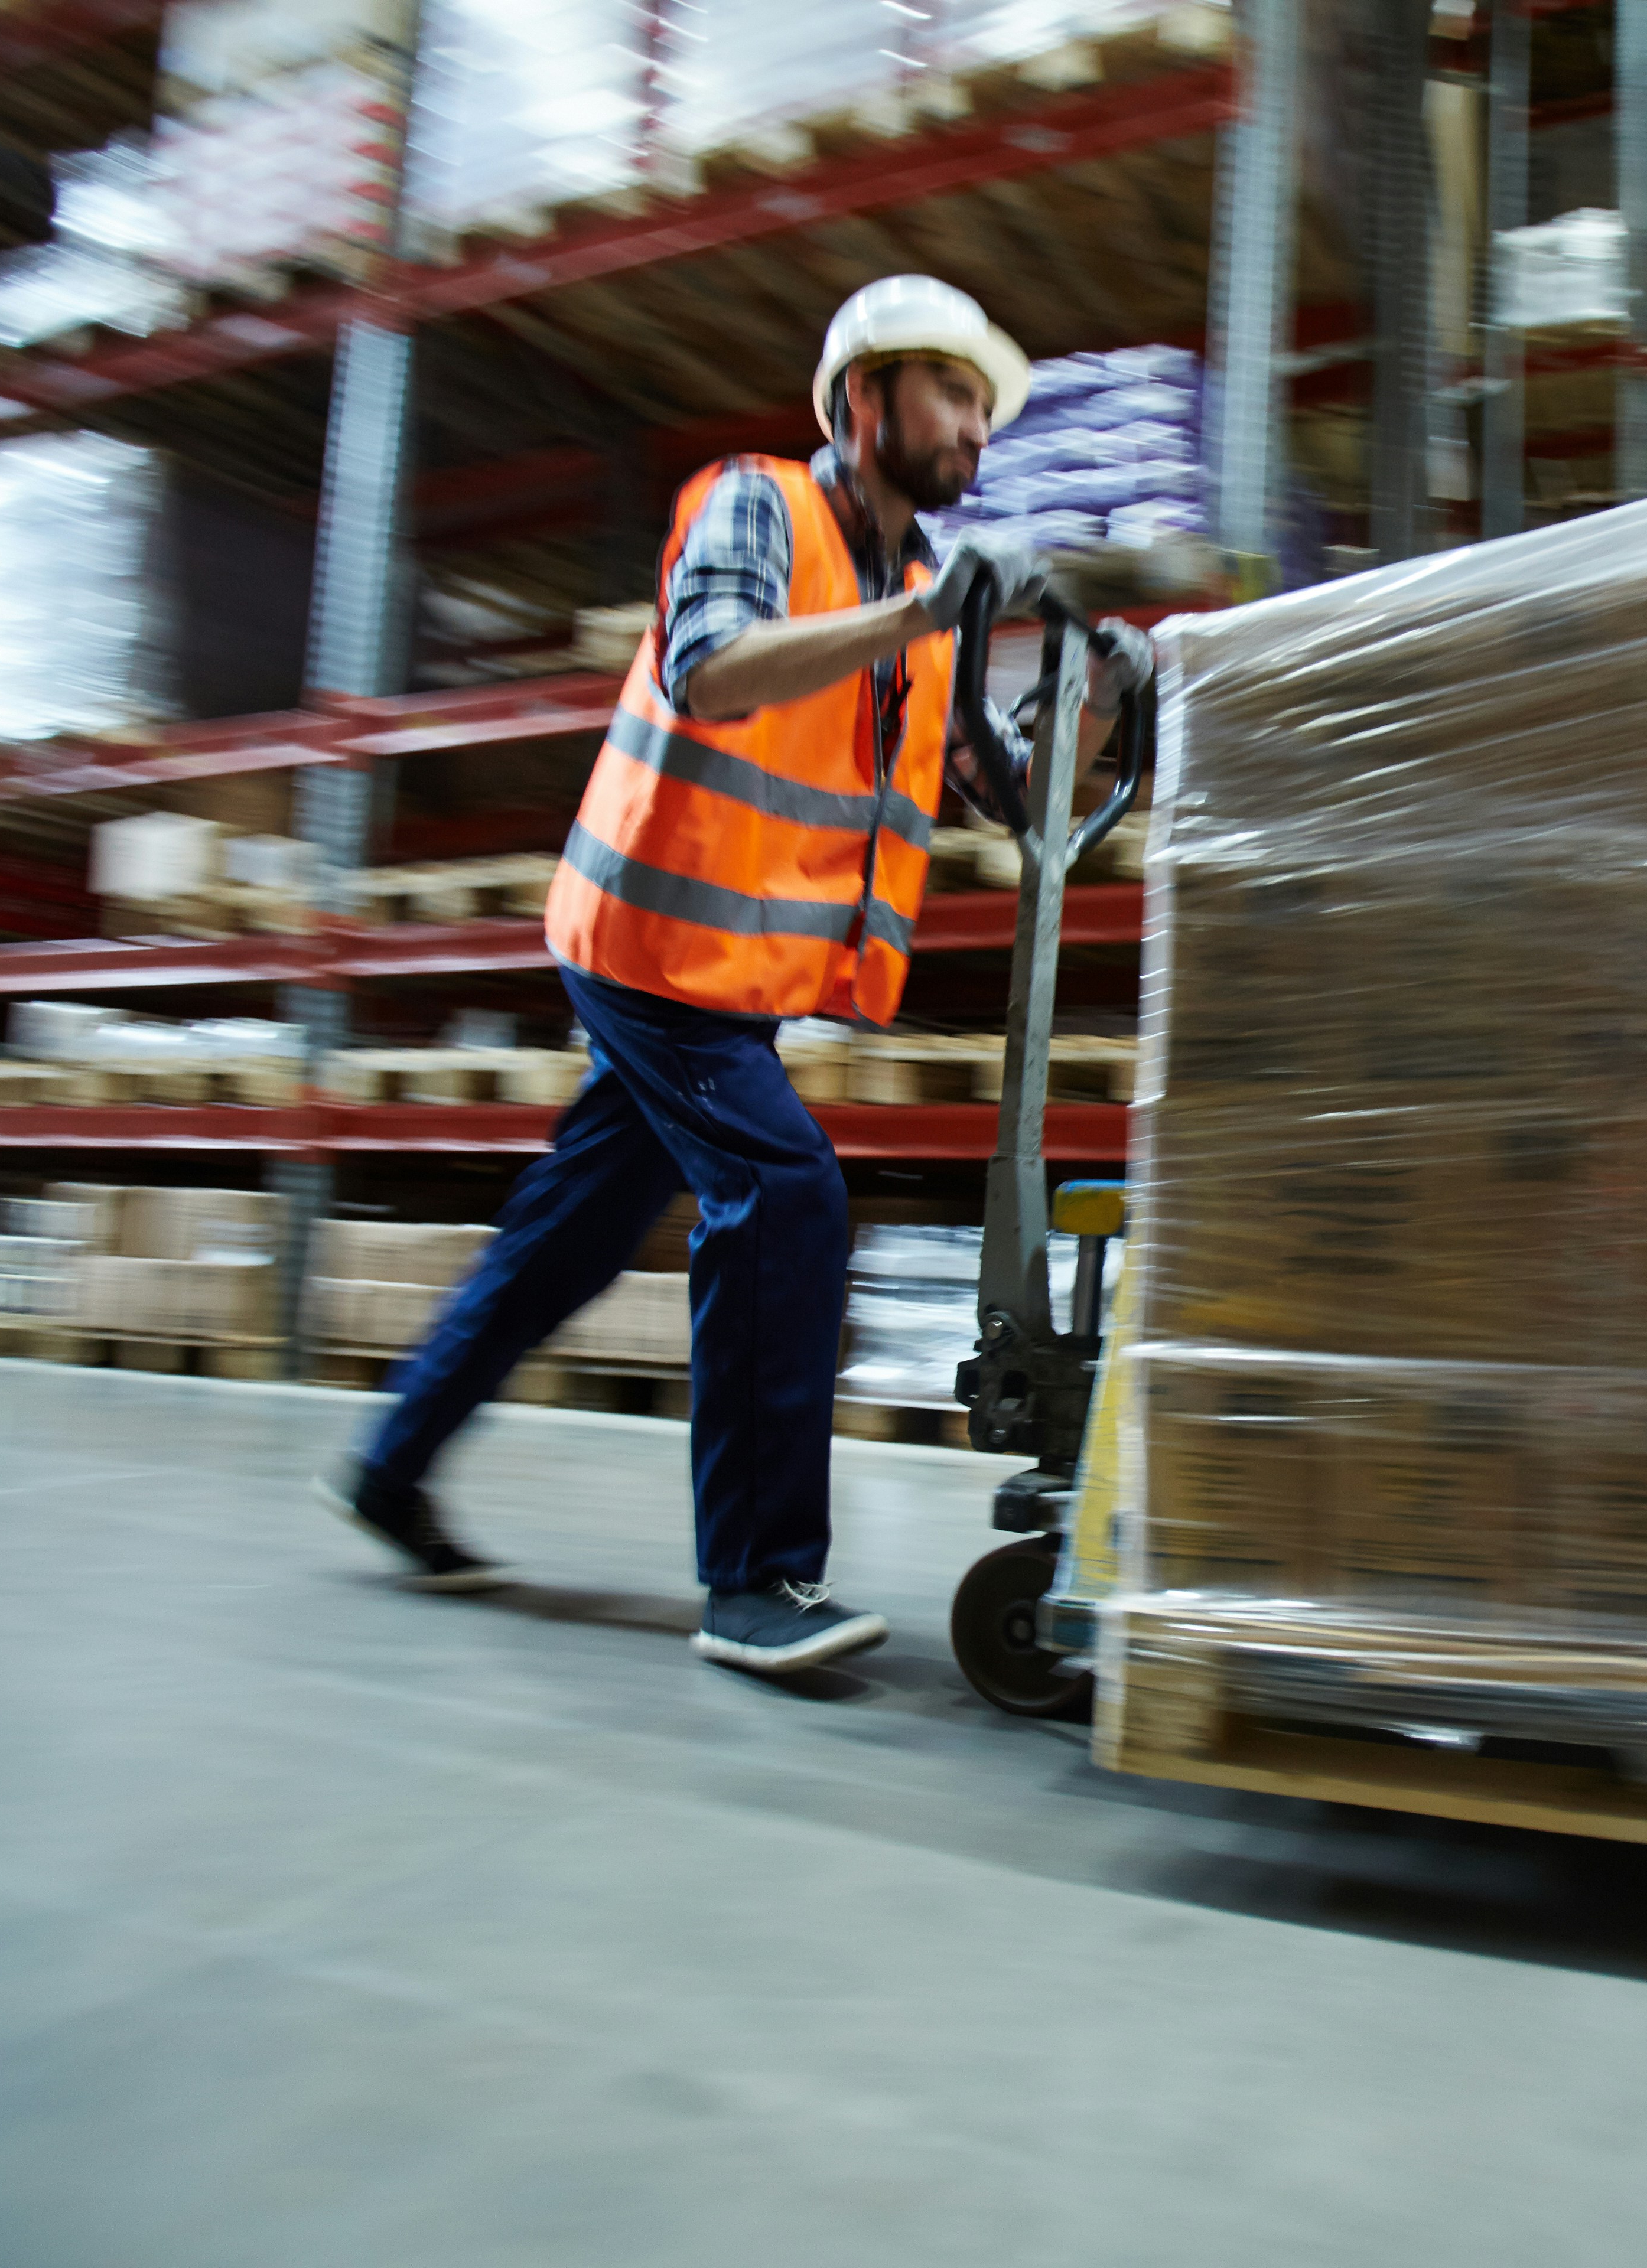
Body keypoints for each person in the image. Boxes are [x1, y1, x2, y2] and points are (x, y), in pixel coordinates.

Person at [318, 275, 1147, 1674]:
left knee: (565, 1241)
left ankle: (389, 1466)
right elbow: (711, 671)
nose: (973, 425)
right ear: (860, 400)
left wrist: (1101, 698)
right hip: (648, 943)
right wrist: (926, 619)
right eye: (948, 389)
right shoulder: (758, 505)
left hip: (734, 976)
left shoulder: (916, 593)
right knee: (783, 1196)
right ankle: (755, 1583)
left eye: (984, 404)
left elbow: (1010, 799)